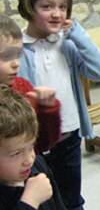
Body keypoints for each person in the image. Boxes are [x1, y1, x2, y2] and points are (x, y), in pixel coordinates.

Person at [16, 0, 100, 210]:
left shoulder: (67, 44)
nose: (56, 13)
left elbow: (98, 70)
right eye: (46, 6)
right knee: (37, 200)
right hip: (31, 141)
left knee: (71, 199)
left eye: (62, 7)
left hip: (67, 135)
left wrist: (78, 33)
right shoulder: (19, 45)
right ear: (29, 7)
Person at [0, 86, 83, 210]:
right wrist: (29, 204)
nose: (28, 158)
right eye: (15, 154)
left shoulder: (35, 166)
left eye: (31, 146)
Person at [0, 13, 60, 155]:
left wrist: (48, 110)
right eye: (7, 56)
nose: (16, 64)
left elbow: (43, 144)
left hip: (30, 169)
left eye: (17, 54)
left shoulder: (24, 89)